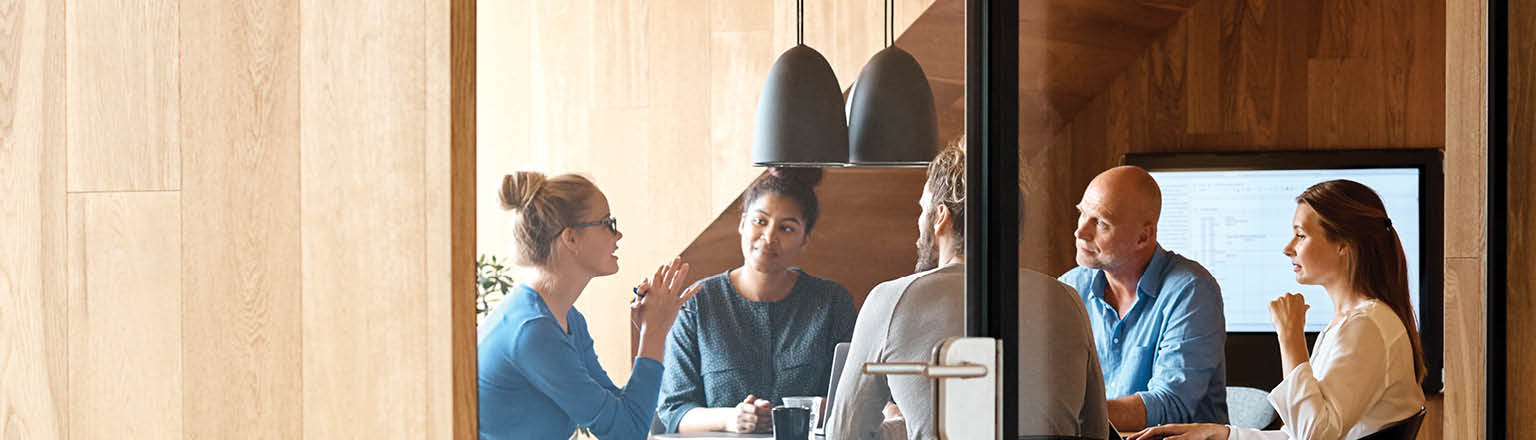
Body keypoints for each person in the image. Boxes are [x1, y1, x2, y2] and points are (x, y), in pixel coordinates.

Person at [825, 144, 1110, 439]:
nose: (918, 221)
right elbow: (1096, 432)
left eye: (923, 210)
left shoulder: (891, 301)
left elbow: (845, 434)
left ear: (940, 217)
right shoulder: (1067, 300)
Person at [1128, 180, 1427, 440]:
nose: (1288, 248)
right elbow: (1301, 432)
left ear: (1343, 245)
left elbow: (1314, 435)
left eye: (1300, 235)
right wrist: (1221, 433)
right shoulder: (1358, 322)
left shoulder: (1366, 326)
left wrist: (1291, 337)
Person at [477, 171, 700, 440]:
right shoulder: (533, 331)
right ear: (570, 238)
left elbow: (623, 413)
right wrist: (654, 333)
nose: (618, 234)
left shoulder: (567, 318)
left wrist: (651, 332)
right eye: (607, 223)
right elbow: (626, 433)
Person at [656, 168, 858, 434]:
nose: (769, 237)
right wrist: (731, 419)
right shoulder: (697, 302)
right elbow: (673, 411)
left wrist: (818, 409)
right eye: (759, 221)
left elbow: (857, 397)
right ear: (742, 223)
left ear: (805, 240)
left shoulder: (832, 302)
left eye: (786, 228)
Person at [1058, 165, 1228, 431]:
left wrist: (1067, 414)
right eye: (1082, 214)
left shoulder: (1192, 290)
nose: (1080, 232)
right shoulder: (1069, 289)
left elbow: (1171, 405)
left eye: (1101, 222)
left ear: (1143, 236)